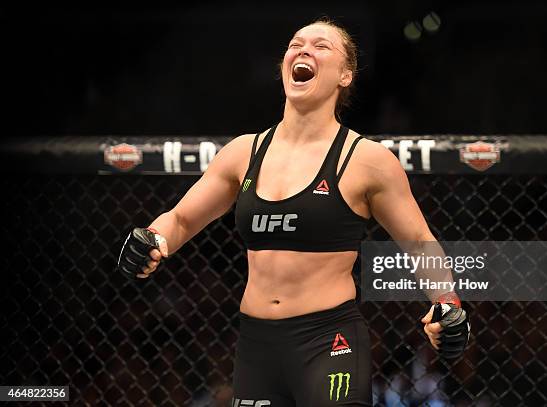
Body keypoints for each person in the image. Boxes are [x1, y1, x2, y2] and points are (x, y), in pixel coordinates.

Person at [118, 18, 469, 406]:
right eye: (295, 44)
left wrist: (447, 302)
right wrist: (153, 237)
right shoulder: (243, 152)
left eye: (321, 46)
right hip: (256, 346)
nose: (303, 50)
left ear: (345, 75)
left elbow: (419, 241)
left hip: (329, 339)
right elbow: (181, 219)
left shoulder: (366, 160)